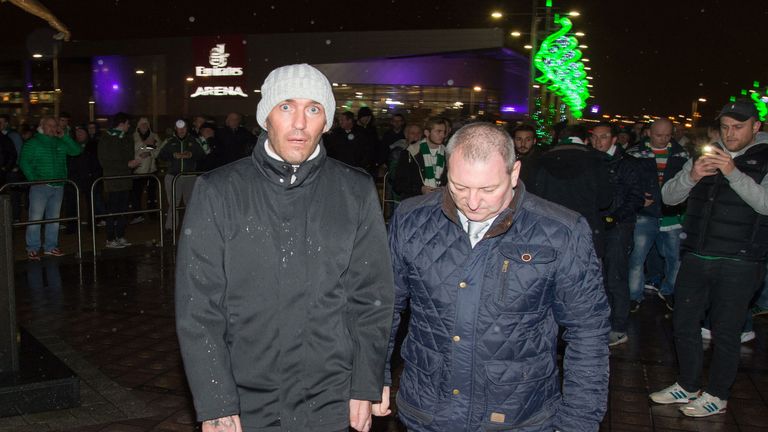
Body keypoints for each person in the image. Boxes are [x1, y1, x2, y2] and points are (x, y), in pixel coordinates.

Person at [176, 63, 395, 432]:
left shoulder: (354, 190)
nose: (299, 123)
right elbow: (198, 306)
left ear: (326, 121)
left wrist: (366, 381)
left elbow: (372, 297)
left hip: (330, 397)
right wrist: (215, 399)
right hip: (246, 400)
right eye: (286, 107)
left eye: (313, 109)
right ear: (266, 117)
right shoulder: (219, 190)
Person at [375, 122, 610, 431]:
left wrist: (578, 423)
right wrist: (371, 379)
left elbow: (588, 332)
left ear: (514, 174)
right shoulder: (411, 218)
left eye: (488, 189)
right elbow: (383, 307)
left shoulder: (561, 232)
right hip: (427, 412)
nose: (472, 203)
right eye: (459, 187)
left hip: (518, 416)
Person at [650, 100, 768, 417]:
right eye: (726, 127)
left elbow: (765, 204)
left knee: (726, 332)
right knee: (683, 323)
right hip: (697, 254)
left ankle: (718, 394)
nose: (730, 134)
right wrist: (692, 176)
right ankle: (687, 384)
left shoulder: (765, 157)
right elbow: (668, 197)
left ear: (756, 127)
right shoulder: (707, 152)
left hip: (740, 260)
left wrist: (732, 172)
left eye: (738, 127)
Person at [590, 123, 644, 346]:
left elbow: (635, 197)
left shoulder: (628, 164)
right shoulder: (590, 161)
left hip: (618, 226)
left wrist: (614, 218)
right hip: (596, 224)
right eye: (594, 137)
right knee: (597, 275)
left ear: (614, 139)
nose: (598, 141)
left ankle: (619, 326)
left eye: (603, 137)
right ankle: (601, 321)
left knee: (616, 276)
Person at [626, 118, 688, 311]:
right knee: (637, 258)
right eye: (659, 135)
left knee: (674, 258)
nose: (663, 139)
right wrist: (638, 197)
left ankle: (669, 291)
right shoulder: (634, 153)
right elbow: (625, 182)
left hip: (672, 214)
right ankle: (634, 295)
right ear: (649, 133)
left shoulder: (681, 154)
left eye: (668, 135)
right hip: (645, 214)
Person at [18, 116, 82, 260]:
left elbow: (76, 151)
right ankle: (32, 248)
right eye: (50, 126)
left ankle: (50, 246)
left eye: (55, 126)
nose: (53, 128)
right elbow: (24, 161)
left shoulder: (60, 142)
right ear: (42, 126)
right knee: (35, 218)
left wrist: (64, 137)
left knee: (54, 219)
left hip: (58, 185)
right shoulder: (33, 143)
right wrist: (34, 179)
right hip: (41, 186)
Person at [98, 112, 145, 249]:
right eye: (128, 123)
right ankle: (110, 238)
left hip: (125, 179)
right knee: (113, 210)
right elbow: (105, 161)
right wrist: (127, 164)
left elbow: (128, 156)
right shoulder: (106, 138)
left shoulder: (127, 138)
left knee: (123, 210)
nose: (129, 126)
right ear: (122, 123)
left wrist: (135, 160)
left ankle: (120, 235)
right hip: (113, 180)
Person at [157, 119, 205, 232]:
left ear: (187, 129)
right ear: (175, 129)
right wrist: (173, 155)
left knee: (191, 203)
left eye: (184, 128)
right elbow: (161, 155)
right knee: (173, 203)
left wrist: (191, 154)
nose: (182, 130)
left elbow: (202, 154)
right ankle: (171, 227)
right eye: (179, 128)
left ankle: (192, 227)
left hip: (190, 177)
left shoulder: (194, 140)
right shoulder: (169, 141)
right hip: (173, 177)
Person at [393, 116, 447, 199]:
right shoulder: (410, 152)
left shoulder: (448, 153)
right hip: (416, 203)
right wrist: (420, 189)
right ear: (427, 133)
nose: (442, 135)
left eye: (444, 132)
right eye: (438, 131)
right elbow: (398, 184)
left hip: (440, 203)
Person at [130, 117, 163, 224]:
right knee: (136, 195)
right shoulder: (133, 137)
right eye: (142, 124)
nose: (144, 126)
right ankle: (137, 214)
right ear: (138, 126)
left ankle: (153, 213)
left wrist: (149, 152)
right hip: (137, 169)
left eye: (146, 124)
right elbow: (133, 150)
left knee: (152, 194)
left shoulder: (154, 136)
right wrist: (148, 145)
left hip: (151, 169)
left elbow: (159, 150)